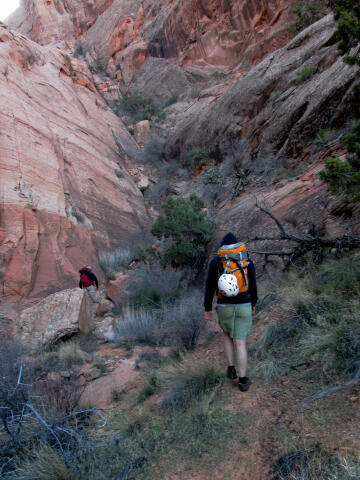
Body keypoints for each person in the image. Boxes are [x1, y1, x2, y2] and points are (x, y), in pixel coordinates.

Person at [204, 232, 257, 392]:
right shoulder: (246, 260)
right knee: (240, 343)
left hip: (224, 306)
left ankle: (231, 368)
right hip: (244, 304)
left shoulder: (217, 261)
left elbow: (210, 287)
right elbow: (253, 285)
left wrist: (207, 308)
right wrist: (253, 303)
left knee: (227, 336)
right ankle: (242, 380)